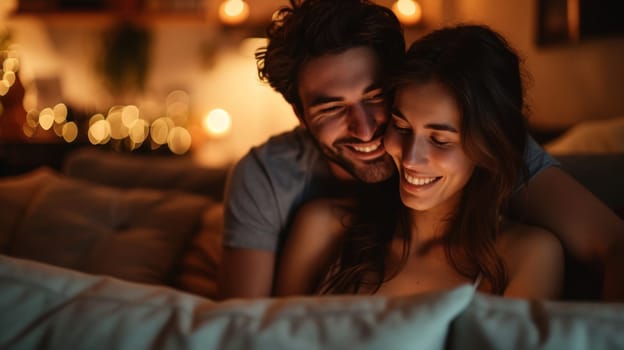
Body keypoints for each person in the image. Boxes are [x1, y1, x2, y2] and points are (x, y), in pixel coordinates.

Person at [217, 0, 624, 300]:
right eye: (332, 108)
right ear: (300, 115)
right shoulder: (281, 188)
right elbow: (250, 330)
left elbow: (612, 245)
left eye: (375, 97)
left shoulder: (522, 234)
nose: (365, 129)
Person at [276, 24, 564, 298]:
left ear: (488, 147)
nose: (411, 157)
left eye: (440, 140)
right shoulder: (325, 227)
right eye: (401, 127)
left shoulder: (528, 255)